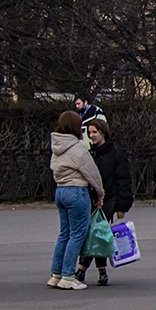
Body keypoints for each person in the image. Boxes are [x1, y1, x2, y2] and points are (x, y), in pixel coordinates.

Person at [48, 111, 105, 289]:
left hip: (61, 191)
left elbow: (53, 168)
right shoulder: (77, 148)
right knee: (77, 234)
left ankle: (55, 274)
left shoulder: (57, 147)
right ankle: (68, 276)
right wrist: (100, 191)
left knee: (64, 233)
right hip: (76, 191)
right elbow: (92, 172)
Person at [75, 118, 134, 286]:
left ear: (103, 132)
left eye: (94, 132)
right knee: (96, 235)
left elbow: (123, 180)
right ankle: (101, 272)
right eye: (89, 132)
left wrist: (122, 207)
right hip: (92, 200)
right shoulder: (91, 153)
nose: (91, 135)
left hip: (109, 200)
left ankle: (81, 270)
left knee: (96, 234)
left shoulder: (116, 154)